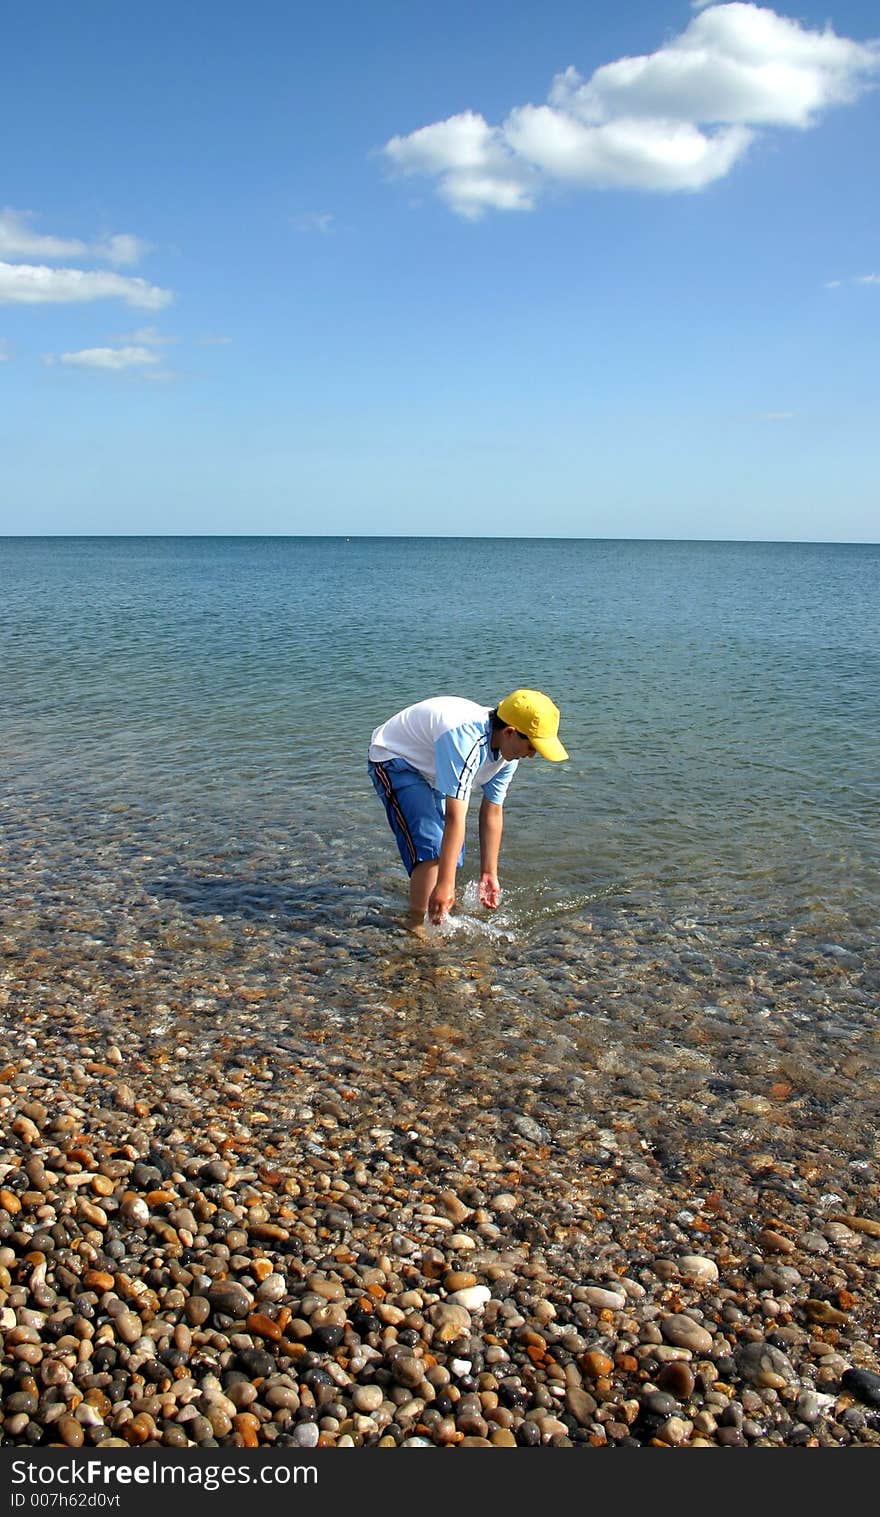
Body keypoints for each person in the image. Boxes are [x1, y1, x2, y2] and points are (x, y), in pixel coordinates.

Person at [368, 688, 568, 932]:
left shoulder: (508, 754)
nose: (533, 755)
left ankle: (436, 907)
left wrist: (489, 873)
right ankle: (416, 924)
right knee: (432, 845)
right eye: (532, 746)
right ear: (510, 732)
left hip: (434, 765)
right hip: (395, 757)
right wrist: (445, 884)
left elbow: (493, 811)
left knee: (452, 853)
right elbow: (456, 816)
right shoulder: (466, 741)